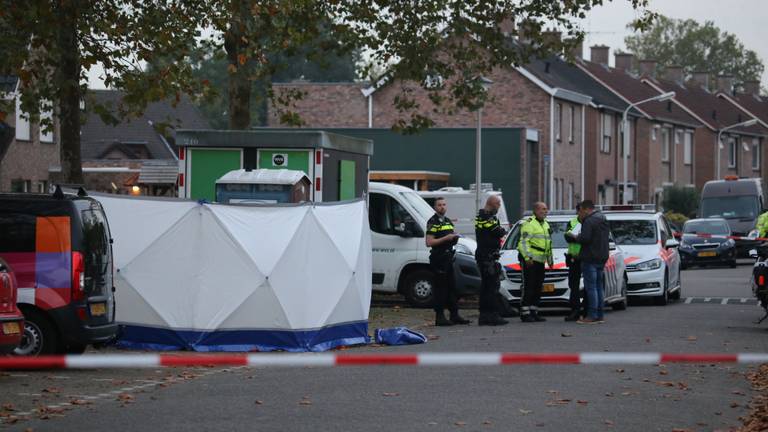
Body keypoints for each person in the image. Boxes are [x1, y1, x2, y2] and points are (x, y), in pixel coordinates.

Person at [426, 197, 470, 326]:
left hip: (449, 257)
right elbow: (429, 242)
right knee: (440, 288)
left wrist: (454, 238)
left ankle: (454, 314)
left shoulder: (448, 221)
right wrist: (447, 238)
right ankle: (440, 317)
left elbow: (449, 237)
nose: (442, 207)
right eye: (439, 205)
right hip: (438, 258)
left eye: (444, 204)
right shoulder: (432, 222)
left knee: (452, 287)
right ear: (435, 207)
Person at [564, 200, 610, 324]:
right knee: (599, 287)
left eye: (580, 211)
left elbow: (585, 238)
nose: (579, 214)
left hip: (590, 257)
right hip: (602, 256)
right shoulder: (602, 218)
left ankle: (592, 315)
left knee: (591, 288)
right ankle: (600, 315)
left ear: (585, 209)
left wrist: (574, 237)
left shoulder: (589, 221)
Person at [474, 195, 509, 326]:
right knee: (491, 287)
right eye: (498, 204)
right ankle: (491, 315)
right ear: (492, 204)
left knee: (487, 287)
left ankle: (485, 315)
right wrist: (502, 230)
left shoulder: (486, 216)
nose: (499, 207)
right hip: (486, 257)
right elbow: (497, 231)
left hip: (488, 256)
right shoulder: (485, 217)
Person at [517, 201, 553, 323]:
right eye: (543, 209)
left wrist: (550, 259)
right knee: (529, 286)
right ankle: (525, 313)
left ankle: (534, 311)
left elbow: (548, 243)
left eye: (546, 209)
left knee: (538, 286)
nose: (545, 211)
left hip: (540, 260)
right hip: (530, 261)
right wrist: (527, 258)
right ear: (536, 210)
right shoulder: (529, 224)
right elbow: (523, 243)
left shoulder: (545, 224)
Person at [564, 204, 587, 321]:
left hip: (587, 258)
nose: (582, 213)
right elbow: (567, 237)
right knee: (574, 286)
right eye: (580, 211)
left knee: (589, 285)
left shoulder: (590, 223)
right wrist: (580, 238)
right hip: (574, 258)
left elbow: (590, 238)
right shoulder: (572, 222)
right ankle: (575, 311)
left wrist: (577, 237)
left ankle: (587, 311)